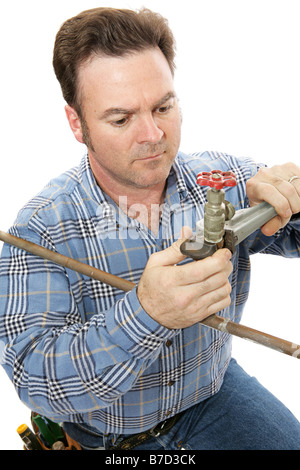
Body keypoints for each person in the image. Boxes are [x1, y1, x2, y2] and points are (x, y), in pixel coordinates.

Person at [0, 7, 300, 451]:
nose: (152, 134)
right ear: (76, 123)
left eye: (164, 106)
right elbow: (40, 381)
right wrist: (147, 314)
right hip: (106, 438)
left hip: (212, 396)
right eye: (120, 119)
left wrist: (293, 201)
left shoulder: (221, 178)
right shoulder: (40, 229)